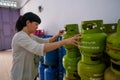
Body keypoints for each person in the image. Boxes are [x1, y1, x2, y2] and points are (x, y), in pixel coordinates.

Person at [10, 12, 81, 80]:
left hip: (31, 74)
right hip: (21, 76)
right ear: (28, 22)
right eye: (36, 24)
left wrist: (57, 35)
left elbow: (45, 41)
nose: (37, 27)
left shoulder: (30, 36)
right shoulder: (20, 37)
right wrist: (65, 41)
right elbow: (40, 48)